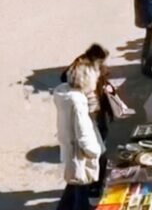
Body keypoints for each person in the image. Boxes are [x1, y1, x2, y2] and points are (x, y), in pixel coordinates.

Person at [54, 59, 105, 210]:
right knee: (81, 187)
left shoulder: (64, 93)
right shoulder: (78, 102)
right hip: (79, 152)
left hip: (70, 145)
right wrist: (95, 151)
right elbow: (83, 133)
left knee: (74, 184)